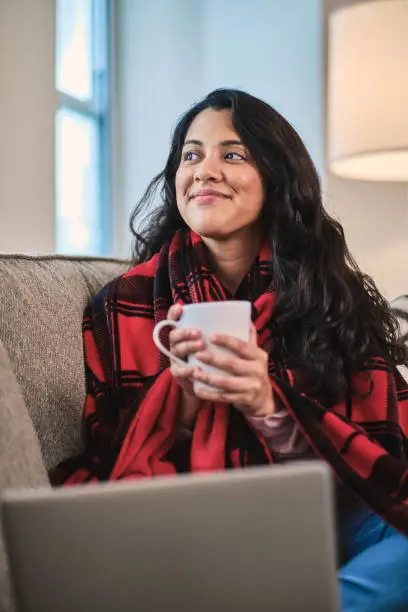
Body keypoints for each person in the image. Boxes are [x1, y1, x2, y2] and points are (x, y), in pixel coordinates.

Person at [51, 89, 408, 611]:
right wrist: (183, 409)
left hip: (333, 519)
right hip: (192, 529)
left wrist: (268, 408)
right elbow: (114, 466)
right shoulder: (123, 305)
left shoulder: (332, 298)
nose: (205, 170)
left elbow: (375, 460)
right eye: (191, 155)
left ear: (277, 177)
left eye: (232, 154)